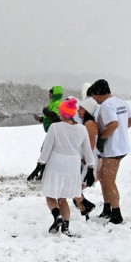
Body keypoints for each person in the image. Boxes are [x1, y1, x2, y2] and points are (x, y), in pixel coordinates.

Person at [31, 98, 96, 236]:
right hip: (73, 166)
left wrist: (39, 165)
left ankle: (57, 217)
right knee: (63, 197)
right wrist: (90, 168)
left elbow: (46, 149)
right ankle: (65, 227)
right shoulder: (81, 129)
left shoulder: (55, 127)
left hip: (56, 163)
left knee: (50, 194)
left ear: (62, 113)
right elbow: (88, 150)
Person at [91, 79, 131, 224]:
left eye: (94, 96)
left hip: (112, 149)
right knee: (104, 178)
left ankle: (116, 213)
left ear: (98, 94)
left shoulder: (106, 106)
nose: (93, 99)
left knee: (109, 180)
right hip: (121, 146)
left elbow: (114, 124)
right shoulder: (120, 102)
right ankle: (107, 208)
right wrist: (121, 132)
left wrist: (103, 137)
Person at [73, 97, 101, 219]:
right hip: (88, 158)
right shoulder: (89, 123)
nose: (78, 111)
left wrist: (84, 162)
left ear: (87, 110)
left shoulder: (89, 124)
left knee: (73, 186)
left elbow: (90, 144)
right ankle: (84, 209)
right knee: (75, 186)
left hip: (88, 158)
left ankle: (86, 206)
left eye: (81, 109)